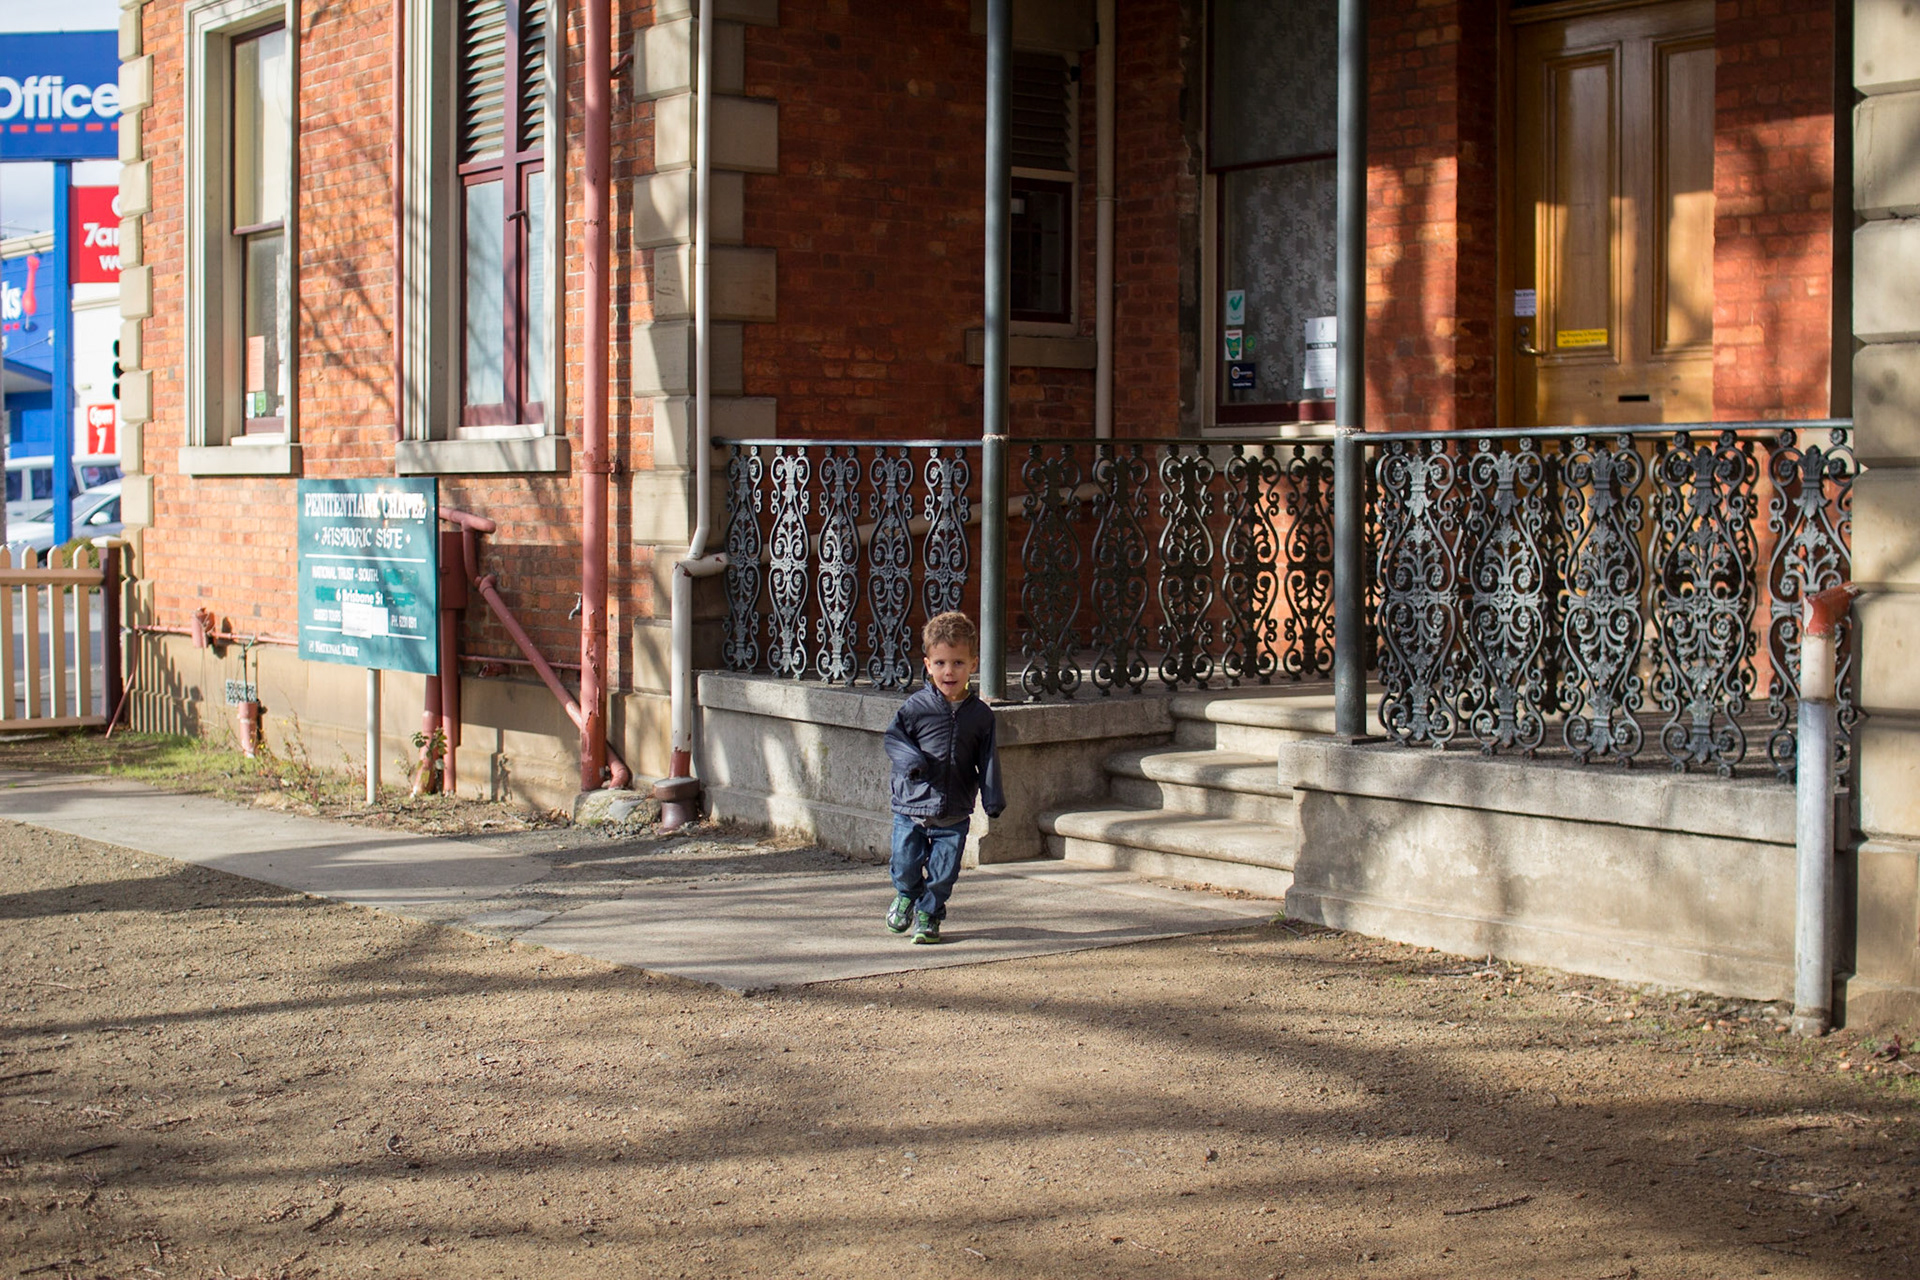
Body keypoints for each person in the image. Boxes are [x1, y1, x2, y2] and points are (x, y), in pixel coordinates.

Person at [882, 611, 1004, 944]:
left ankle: (929, 915)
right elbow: (894, 738)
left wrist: (992, 798)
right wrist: (913, 762)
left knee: (944, 873)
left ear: (973, 664)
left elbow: (988, 757)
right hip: (912, 807)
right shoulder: (915, 707)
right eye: (940, 663)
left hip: (954, 810)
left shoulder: (981, 716)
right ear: (927, 664)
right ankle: (907, 895)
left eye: (958, 663)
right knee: (906, 865)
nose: (948, 671)